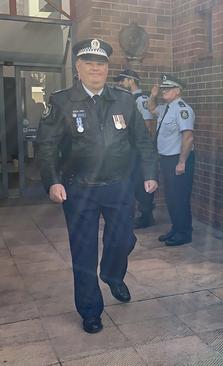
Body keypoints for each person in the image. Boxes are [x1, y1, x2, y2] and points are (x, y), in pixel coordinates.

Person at [36, 39, 158, 333]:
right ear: (78, 67)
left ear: (107, 69)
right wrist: (52, 181)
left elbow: (141, 141)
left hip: (118, 186)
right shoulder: (62, 101)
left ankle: (113, 275)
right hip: (79, 188)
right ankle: (90, 309)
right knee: (84, 251)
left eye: (101, 64)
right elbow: (46, 146)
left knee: (122, 240)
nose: (95, 68)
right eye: (89, 63)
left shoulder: (124, 100)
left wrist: (149, 173)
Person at [147, 74, 195, 246]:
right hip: (167, 159)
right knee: (171, 197)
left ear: (177, 91)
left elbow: (187, 137)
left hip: (179, 159)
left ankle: (184, 233)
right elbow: (151, 109)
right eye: (163, 88)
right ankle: (176, 228)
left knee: (179, 197)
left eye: (167, 89)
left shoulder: (183, 109)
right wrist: (152, 95)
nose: (163, 91)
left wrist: (182, 162)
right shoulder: (166, 107)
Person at [114, 69, 157, 228]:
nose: (119, 83)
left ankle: (146, 216)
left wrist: (140, 149)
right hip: (130, 150)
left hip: (138, 150)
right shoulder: (128, 99)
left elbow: (146, 126)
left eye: (122, 80)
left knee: (141, 184)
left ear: (131, 80)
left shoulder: (140, 100)